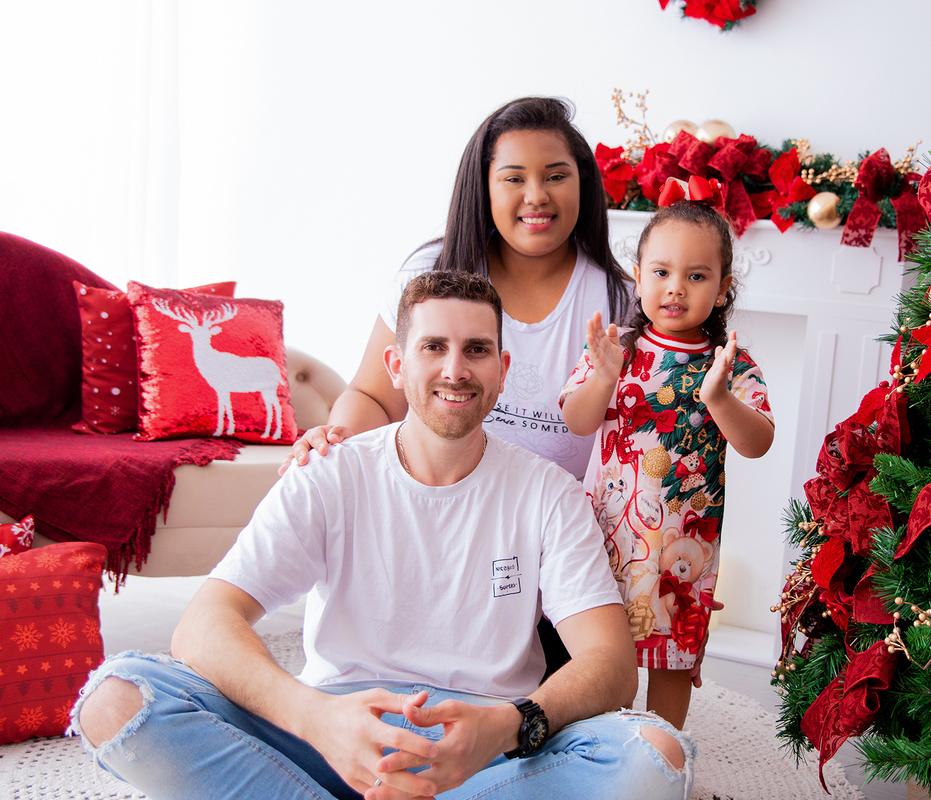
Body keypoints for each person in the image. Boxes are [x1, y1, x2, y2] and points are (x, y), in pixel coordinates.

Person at [71, 272, 694, 800]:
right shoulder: (329, 474)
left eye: (477, 349)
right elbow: (204, 625)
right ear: (396, 365)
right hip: (331, 737)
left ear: (503, 370)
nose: (456, 369)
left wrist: (507, 727)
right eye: (433, 347)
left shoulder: (547, 493)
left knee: (656, 754)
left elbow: (610, 665)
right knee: (117, 699)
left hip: (487, 755)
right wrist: (315, 720)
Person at [282, 96, 632, 483]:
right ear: (484, 186)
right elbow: (374, 398)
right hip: (438, 508)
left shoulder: (623, 300)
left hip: (563, 526)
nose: (536, 195)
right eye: (514, 178)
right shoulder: (428, 273)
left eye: (556, 176)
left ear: (583, 183)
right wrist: (340, 441)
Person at [559, 194, 775, 731]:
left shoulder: (731, 364)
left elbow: (757, 443)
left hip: (687, 549)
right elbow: (576, 421)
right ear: (638, 275)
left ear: (724, 287)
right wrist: (604, 378)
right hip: (610, 535)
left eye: (697, 276)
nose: (676, 286)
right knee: (600, 655)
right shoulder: (618, 349)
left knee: (673, 658)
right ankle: (598, 750)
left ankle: (661, 757)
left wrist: (719, 398)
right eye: (661, 271)